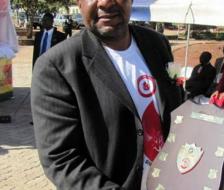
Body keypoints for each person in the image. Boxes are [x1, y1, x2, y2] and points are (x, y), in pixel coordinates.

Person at [31, 0, 183, 189]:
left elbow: (175, 109)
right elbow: (61, 159)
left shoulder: (156, 43)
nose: (104, 2)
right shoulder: (57, 66)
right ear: (79, 3)